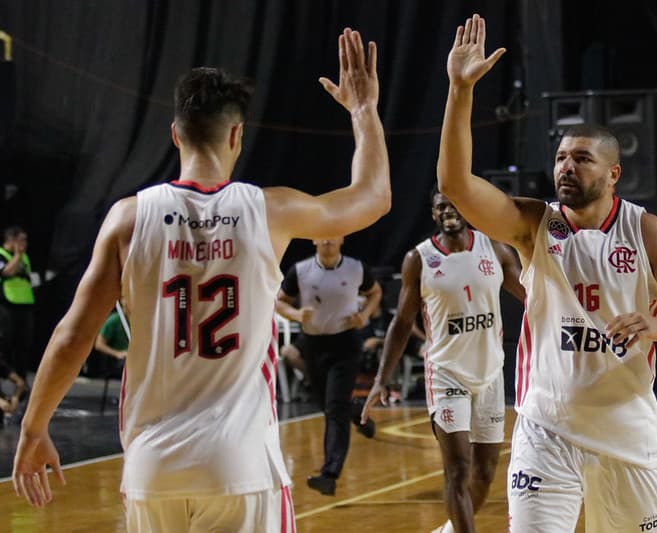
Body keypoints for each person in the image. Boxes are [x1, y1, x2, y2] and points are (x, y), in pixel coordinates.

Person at [12, 27, 390, 533]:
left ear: (175, 134)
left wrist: (34, 428)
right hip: (239, 464)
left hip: (154, 466)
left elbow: (73, 336)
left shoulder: (128, 219)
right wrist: (363, 111)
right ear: (236, 136)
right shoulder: (270, 210)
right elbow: (372, 197)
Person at [436, 15, 657, 532]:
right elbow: (456, 185)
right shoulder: (533, 224)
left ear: (614, 173)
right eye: (559, 158)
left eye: (581, 158)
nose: (566, 167)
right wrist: (460, 91)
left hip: (626, 437)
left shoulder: (645, 231)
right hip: (546, 433)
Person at [362, 189, 525, 533]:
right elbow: (402, 322)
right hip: (446, 375)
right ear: (433, 214)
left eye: (453, 205)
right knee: (458, 469)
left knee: (485, 472)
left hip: (490, 374)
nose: (448, 211)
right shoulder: (419, 259)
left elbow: (533, 296)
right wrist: (381, 379)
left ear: (466, 207)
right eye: (440, 207)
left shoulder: (494, 248)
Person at [276, 236, 382, 496]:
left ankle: (329, 474)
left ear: (341, 239)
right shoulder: (301, 270)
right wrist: (295, 315)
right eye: (322, 236)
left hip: (345, 343)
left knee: (334, 408)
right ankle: (358, 413)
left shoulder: (356, 268)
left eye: (332, 236)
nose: (327, 240)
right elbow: (279, 301)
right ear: (314, 239)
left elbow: (375, 292)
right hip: (314, 344)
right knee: (328, 404)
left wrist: (364, 315)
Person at [0, 226, 36, 383]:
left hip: (25, 305)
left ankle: (22, 384)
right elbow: (6, 272)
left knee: (24, 345)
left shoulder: (25, 257)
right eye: (22, 240)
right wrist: (17, 255)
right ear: (11, 240)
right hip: (7, 305)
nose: (25, 243)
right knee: (5, 344)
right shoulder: (2, 254)